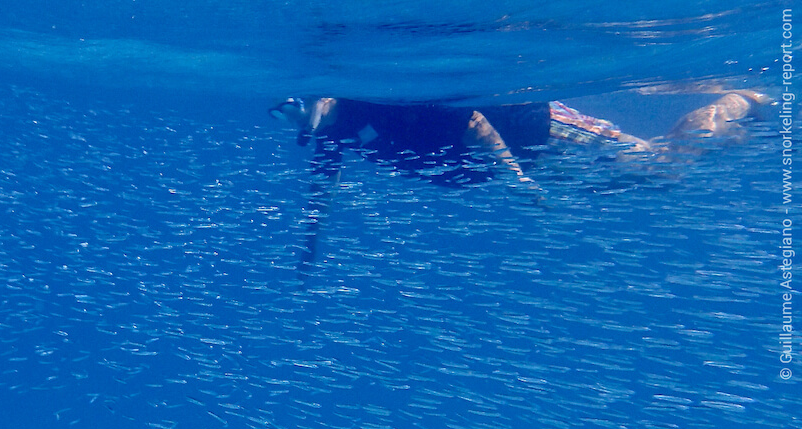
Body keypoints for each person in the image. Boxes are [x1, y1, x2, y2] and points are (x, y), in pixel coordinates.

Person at [269, 91, 770, 275]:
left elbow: (473, 125)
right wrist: (310, 249)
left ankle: (731, 104)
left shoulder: (373, 104)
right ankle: (731, 134)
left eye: (310, 112)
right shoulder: (335, 132)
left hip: (537, 130)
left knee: (663, 170)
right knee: (649, 182)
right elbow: (323, 189)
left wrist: (516, 185)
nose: (311, 126)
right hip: (528, 161)